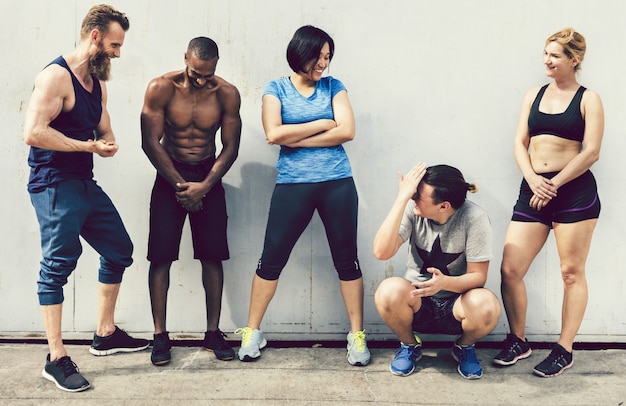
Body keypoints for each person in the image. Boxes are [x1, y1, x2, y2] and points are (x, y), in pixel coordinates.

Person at [23, 4, 149, 393]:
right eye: (114, 44)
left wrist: (107, 142)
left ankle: (105, 333)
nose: (117, 52)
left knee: (119, 249)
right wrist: (87, 146)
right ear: (94, 37)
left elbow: (103, 125)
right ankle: (56, 357)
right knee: (58, 264)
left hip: (82, 182)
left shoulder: (97, 81)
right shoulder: (54, 78)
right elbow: (34, 133)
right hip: (53, 183)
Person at [235, 25, 369, 366]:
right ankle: (252, 331)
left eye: (328, 57)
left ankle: (356, 335)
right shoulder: (275, 88)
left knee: (347, 260)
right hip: (293, 185)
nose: (323, 64)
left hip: (337, 183)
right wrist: (325, 123)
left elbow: (348, 130)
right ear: (301, 53)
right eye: (318, 56)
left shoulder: (334, 86)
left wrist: (294, 138)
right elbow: (273, 132)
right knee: (271, 259)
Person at [493, 28, 603, 378]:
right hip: (534, 188)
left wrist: (553, 184)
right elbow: (518, 143)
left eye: (554, 55)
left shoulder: (589, 99)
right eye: (545, 53)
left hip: (573, 192)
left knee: (571, 273)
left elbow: (592, 152)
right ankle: (519, 341)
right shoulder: (533, 94)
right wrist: (532, 181)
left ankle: (564, 349)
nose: (546, 60)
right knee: (510, 270)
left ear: (574, 59)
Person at [141, 37, 242, 366]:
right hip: (170, 175)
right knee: (161, 256)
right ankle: (160, 336)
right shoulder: (161, 88)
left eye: (208, 73)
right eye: (196, 72)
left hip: (208, 175)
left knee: (212, 256)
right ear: (185, 58)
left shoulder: (226, 93)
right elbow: (150, 143)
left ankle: (212, 333)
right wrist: (184, 187)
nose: (202, 80)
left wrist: (205, 186)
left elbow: (230, 147)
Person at [373, 163, 500, 379]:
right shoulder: (412, 209)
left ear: (443, 206)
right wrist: (401, 199)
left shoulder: (474, 218)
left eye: (417, 196)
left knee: (486, 305)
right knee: (388, 291)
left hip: (456, 305)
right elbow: (381, 252)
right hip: (418, 301)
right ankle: (410, 345)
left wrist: (445, 284)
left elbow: (479, 276)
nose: (413, 198)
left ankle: (463, 347)